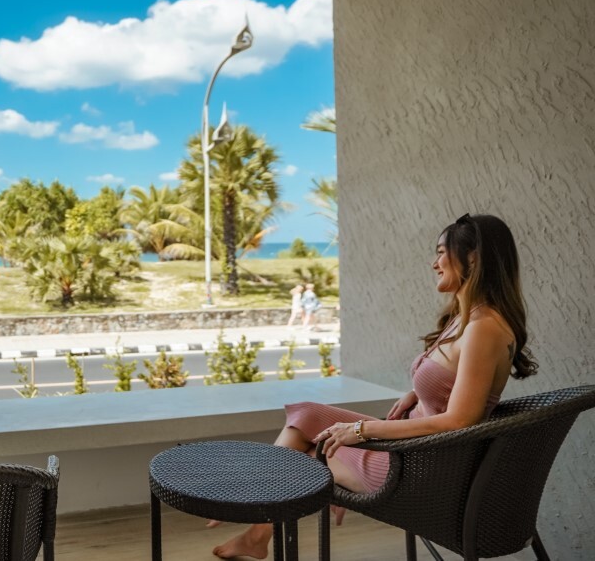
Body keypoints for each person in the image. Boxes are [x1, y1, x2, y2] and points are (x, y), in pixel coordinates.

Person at [210, 213, 539, 559]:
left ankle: (252, 512)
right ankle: (256, 526)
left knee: (307, 457)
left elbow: (460, 420)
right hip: (414, 448)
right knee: (307, 415)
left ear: (472, 258)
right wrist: (421, 391)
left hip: (418, 467)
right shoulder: (466, 318)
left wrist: (362, 430)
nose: (435, 263)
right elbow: (456, 382)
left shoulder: (484, 326)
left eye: (442, 252)